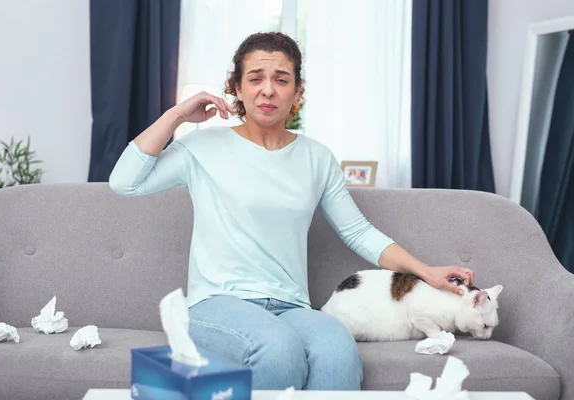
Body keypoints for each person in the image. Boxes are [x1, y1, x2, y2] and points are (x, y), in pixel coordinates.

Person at [108, 32, 474, 391]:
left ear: (297, 91)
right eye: (255, 78)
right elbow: (124, 182)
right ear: (236, 87)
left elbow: (358, 231)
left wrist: (426, 272)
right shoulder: (201, 148)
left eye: (281, 79)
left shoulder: (317, 158)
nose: (267, 90)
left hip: (290, 306)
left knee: (338, 351)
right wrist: (176, 116)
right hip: (216, 304)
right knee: (278, 350)